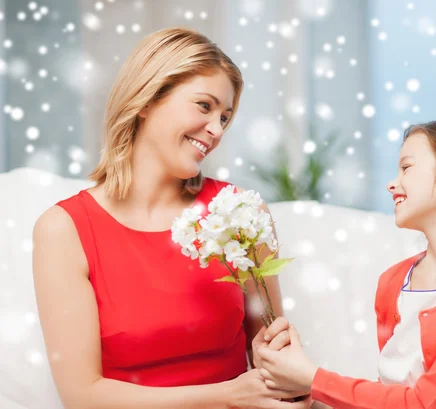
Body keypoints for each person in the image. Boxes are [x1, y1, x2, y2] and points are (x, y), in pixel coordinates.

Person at [32, 27, 309, 409]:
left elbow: (271, 360)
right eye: (204, 106)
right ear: (147, 98)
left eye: (225, 117)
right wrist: (228, 396)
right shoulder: (64, 229)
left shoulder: (239, 211)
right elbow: (82, 395)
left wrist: (280, 372)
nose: (216, 130)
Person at [257, 116, 436, 409]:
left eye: (407, 168)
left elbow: (424, 403)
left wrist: (312, 380)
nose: (392, 184)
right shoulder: (393, 281)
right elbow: (393, 390)